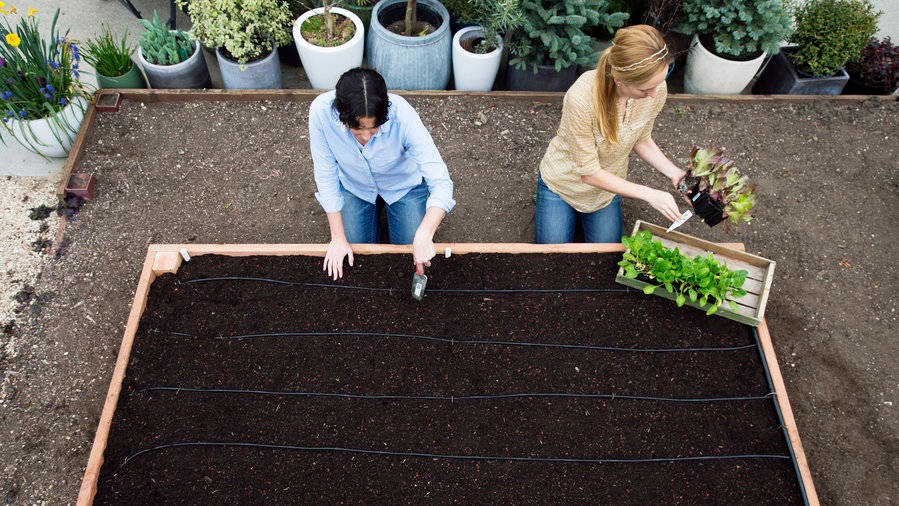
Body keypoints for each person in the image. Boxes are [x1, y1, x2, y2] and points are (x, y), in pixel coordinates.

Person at [535, 25, 686, 244]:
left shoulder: (655, 88)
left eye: (658, 83)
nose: (654, 94)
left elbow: (641, 138)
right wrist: (649, 194)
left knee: (607, 258)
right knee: (551, 258)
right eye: (645, 90)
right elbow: (589, 173)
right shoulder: (581, 100)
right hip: (563, 185)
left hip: (605, 191)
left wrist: (675, 173)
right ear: (620, 80)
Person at [309, 68, 455, 279]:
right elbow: (325, 173)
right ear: (341, 115)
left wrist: (424, 234)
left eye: (374, 129)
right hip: (355, 186)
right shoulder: (321, 113)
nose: (366, 137)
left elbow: (441, 182)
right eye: (357, 131)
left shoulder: (402, 114)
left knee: (408, 251)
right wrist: (338, 237)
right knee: (356, 254)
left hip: (403, 186)